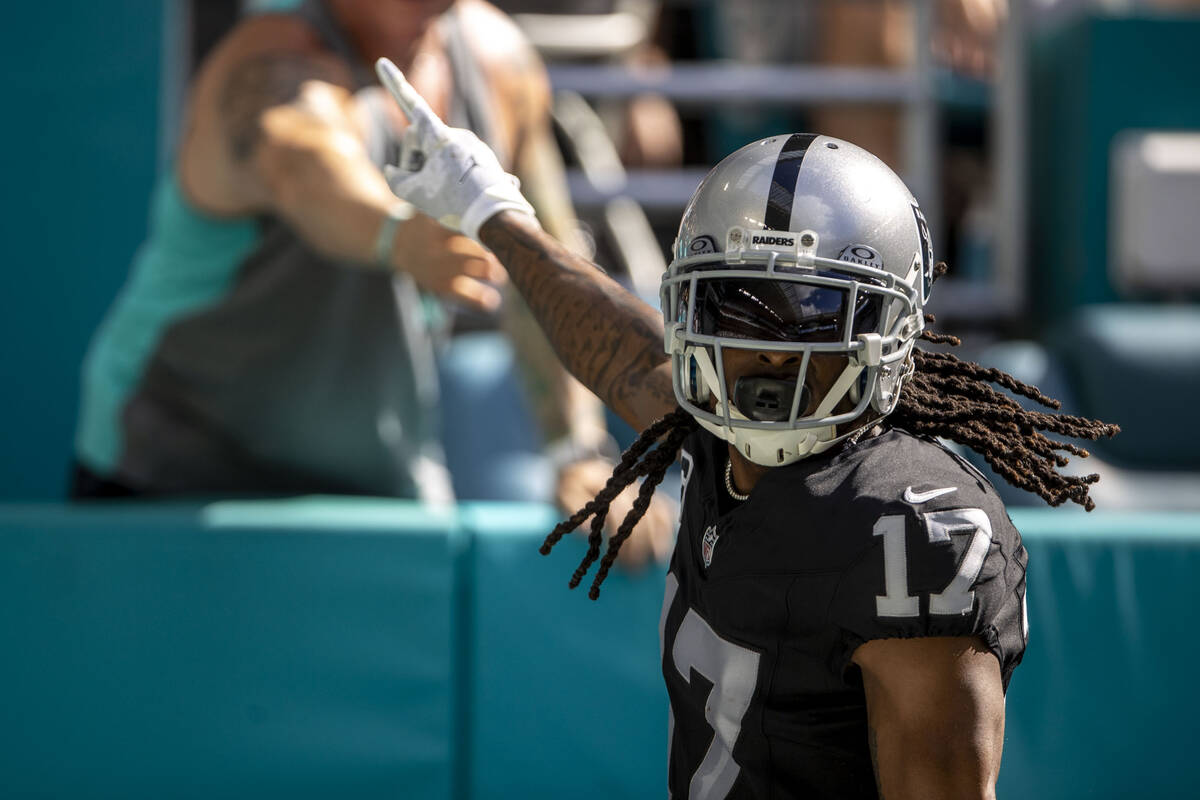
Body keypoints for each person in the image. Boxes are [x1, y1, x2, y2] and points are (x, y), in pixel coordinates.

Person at [376, 60, 1119, 798]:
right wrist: (488, 208)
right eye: (736, 306)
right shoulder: (716, 435)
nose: (772, 349)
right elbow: (616, 347)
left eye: (814, 312)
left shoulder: (911, 527)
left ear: (892, 332)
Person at [72, 0, 676, 560]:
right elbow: (302, 162)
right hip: (170, 475)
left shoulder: (498, 60)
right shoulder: (269, 64)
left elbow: (543, 264)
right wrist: (398, 234)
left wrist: (575, 449)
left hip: (373, 481)